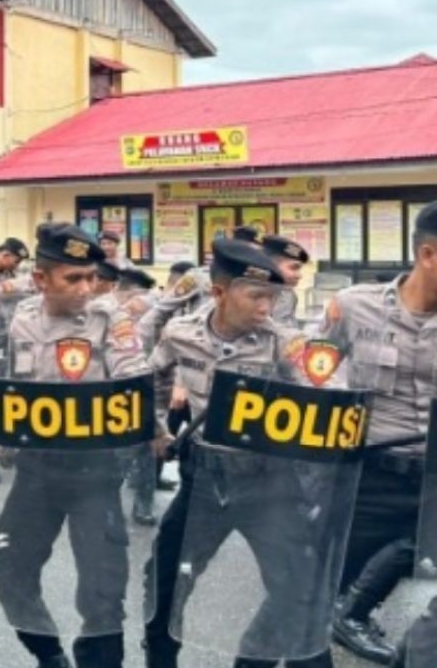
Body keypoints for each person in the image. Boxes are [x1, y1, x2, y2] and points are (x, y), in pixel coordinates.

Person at [142, 238, 329, 668]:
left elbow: (323, 398)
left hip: (269, 486)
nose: (267, 306)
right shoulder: (181, 332)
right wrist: (154, 430)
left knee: (299, 590)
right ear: (219, 292)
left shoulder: (285, 342)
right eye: (256, 295)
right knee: (164, 584)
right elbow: (150, 380)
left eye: (274, 296)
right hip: (204, 482)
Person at [0, 223, 147, 668]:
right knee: (7, 566)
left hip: (95, 472)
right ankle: (49, 655)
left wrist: (150, 424)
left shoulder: (109, 317)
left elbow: (132, 372)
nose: (85, 289)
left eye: (91, 278)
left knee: (103, 590)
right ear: (41, 279)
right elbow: (16, 381)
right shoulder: (22, 318)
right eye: (72, 279)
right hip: (37, 470)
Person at [322, 201, 437, 666]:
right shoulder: (353, 307)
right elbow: (314, 373)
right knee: (310, 597)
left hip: (435, 482)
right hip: (369, 479)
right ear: (428, 255)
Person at [260, 234, 309, 326]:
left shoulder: (287, 293)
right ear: (271, 266)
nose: (299, 275)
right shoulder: (248, 295)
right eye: (293, 268)